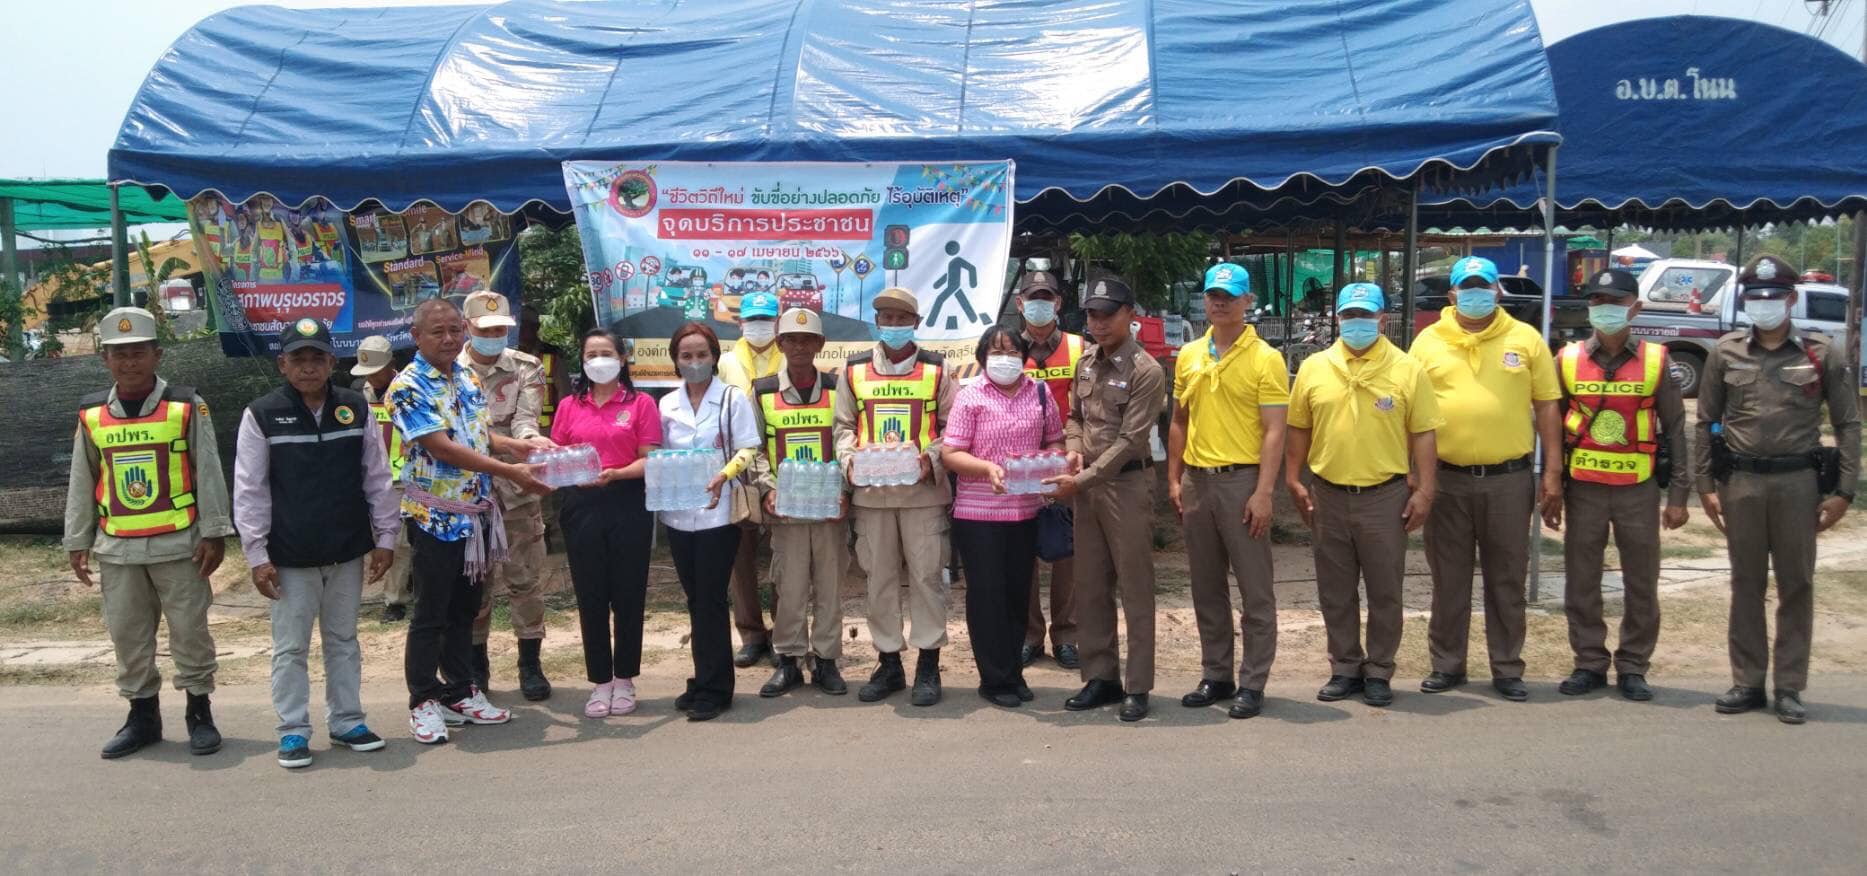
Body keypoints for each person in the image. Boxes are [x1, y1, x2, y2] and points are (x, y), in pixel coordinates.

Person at [1696, 255, 1860, 724]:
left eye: (1773, 297)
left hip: (1797, 484)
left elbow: (1848, 424)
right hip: (1741, 483)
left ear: (1790, 299)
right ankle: (1747, 681)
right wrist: (1705, 483)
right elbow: (1705, 421)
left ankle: (1789, 686)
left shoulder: (1820, 352)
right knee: (1745, 583)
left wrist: (1844, 490)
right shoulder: (1725, 352)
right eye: (1755, 298)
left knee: (1796, 584)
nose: (1764, 305)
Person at [64, 306, 233, 759]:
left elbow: (209, 469)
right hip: (117, 547)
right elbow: (83, 479)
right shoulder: (92, 413)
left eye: (137, 351)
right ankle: (142, 718)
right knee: (128, 635)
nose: (128, 361)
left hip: (180, 544)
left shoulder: (184, 405)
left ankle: (200, 713)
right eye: (118, 353)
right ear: (105, 360)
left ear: (157, 354)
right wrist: (77, 541)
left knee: (190, 632)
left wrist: (214, 532)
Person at [234, 319, 400, 768]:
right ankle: (292, 730)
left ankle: (347, 722)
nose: (309, 367)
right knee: (291, 648)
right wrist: (257, 555)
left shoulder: (354, 408)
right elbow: (249, 490)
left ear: (331, 362)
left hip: (346, 549)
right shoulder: (263, 413)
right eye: (299, 359)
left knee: (344, 640)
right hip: (289, 556)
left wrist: (386, 538)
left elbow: (378, 477)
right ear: (282, 364)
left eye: (317, 358)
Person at [388, 298, 550, 744]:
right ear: (416, 337)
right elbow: (442, 447)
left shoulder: (466, 376)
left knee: (465, 609)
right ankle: (423, 700)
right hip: (436, 517)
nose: (448, 339)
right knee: (431, 613)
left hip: (475, 515)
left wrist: (514, 447)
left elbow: (474, 434)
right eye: (436, 331)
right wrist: (509, 470)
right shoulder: (407, 385)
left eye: (454, 330)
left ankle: (460, 692)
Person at [1409, 256, 1563, 702]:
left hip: (1508, 480)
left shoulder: (1525, 338)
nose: (1476, 294)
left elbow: (1547, 406)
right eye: (1467, 287)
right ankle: (1447, 664)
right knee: (1448, 579)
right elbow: (1411, 414)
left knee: (1507, 578)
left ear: (1498, 291)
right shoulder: (1428, 342)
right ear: (1452, 294)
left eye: (1484, 286)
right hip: (1447, 480)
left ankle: (1507, 667)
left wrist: (1552, 470)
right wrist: (1413, 475)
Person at [1285, 283, 1441, 708]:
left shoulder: (1407, 369)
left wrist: (1425, 490)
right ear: (1337, 319)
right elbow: (1298, 426)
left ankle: (1379, 670)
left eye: (1365, 315)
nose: (1357, 322)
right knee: (1335, 590)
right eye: (1349, 315)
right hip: (1329, 494)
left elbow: (1424, 433)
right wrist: (1293, 478)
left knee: (1385, 588)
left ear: (1382, 320)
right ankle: (1345, 667)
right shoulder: (1315, 366)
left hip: (1384, 496)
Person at [1542, 269, 1691, 702]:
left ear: (1636, 307)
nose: (1606, 308)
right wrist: (1551, 483)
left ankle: (1633, 665)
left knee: (1641, 580)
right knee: (1582, 579)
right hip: (1584, 486)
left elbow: (1677, 429)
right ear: (1588, 308)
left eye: (1616, 300)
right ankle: (1588, 661)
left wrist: (1679, 495)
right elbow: (1552, 424)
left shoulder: (1657, 359)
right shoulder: (1566, 359)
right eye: (1597, 300)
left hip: (1637, 487)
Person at [1167, 263, 1289, 719]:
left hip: (1242, 480)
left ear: (1247, 301)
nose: (1219, 302)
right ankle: (1216, 673)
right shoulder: (1190, 354)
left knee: (1255, 589)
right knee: (1206, 586)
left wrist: (1264, 492)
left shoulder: (1266, 358)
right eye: (1213, 295)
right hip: (1199, 479)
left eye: (1229, 296)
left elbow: (1274, 430)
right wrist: (1174, 478)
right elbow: (1179, 420)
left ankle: (1253, 681)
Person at [1043, 277, 1166, 722]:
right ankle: (1101, 677)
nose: (1097, 322)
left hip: (1125, 487)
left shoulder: (1146, 370)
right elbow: (1074, 416)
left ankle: (1137, 685)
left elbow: (1132, 440)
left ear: (1130, 314)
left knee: (1134, 587)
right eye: (1092, 314)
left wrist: (1085, 478)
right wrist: (1074, 449)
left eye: (1107, 313)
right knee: (1090, 585)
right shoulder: (1086, 362)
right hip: (1087, 487)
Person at [833, 288, 958, 706]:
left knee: (926, 579)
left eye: (900, 317)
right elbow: (843, 427)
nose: (892, 324)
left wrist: (931, 459)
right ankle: (889, 662)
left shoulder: (938, 370)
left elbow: (952, 430)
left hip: (923, 494)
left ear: (916, 323)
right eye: (884, 317)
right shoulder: (853, 370)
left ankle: (928, 663)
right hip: (873, 496)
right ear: (877, 323)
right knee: (879, 580)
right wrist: (848, 461)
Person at [941, 326, 1066, 707]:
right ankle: (993, 679)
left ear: (1024, 356)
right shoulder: (970, 396)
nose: (1004, 357)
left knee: (1017, 595)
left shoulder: (1040, 393)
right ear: (982, 357)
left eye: (1012, 351)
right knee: (987, 596)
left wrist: (1052, 463)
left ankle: (1013, 671)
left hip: (1026, 511)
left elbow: (1055, 439)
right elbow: (951, 452)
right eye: (996, 351)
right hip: (979, 515)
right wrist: (985, 469)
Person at [549, 329, 662, 719]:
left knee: (628, 595)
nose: (599, 360)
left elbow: (650, 459)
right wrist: (571, 475)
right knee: (591, 595)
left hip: (628, 500)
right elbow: (558, 458)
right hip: (581, 505)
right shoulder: (569, 406)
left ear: (622, 359)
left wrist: (615, 474)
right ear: (582, 360)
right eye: (591, 353)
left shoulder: (641, 403)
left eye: (606, 353)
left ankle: (626, 679)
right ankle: (600, 680)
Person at [659, 322, 763, 721]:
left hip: (720, 515)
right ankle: (703, 678)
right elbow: (660, 454)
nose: (695, 362)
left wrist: (724, 474)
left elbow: (749, 448)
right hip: (678, 514)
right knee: (695, 600)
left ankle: (715, 688)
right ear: (676, 360)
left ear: (715, 357)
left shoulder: (732, 398)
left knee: (711, 599)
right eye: (686, 356)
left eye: (702, 354)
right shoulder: (667, 404)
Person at [458, 290, 555, 701]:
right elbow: (460, 432)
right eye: (486, 329)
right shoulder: (447, 370)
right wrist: (511, 448)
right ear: (468, 328)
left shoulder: (525, 366)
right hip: (468, 490)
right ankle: (476, 667)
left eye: (501, 329)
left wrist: (532, 441)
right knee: (476, 582)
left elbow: (525, 418)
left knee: (526, 579)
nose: (495, 336)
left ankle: (530, 663)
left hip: (517, 489)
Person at [749, 308, 849, 697]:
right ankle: (788, 660)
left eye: (808, 339)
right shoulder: (762, 390)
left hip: (829, 508)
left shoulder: (838, 387)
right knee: (789, 587)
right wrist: (767, 488)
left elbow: (847, 439)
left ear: (821, 344)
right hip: (786, 509)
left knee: (830, 586)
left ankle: (825, 660)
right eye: (791, 339)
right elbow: (754, 448)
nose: (800, 346)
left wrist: (845, 492)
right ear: (780, 344)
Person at [1015, 269, 1084, 670]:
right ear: (1020, 304)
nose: (1039, 304)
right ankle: (1028, 635)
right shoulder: (1007, 350)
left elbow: (1088, 408)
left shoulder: (1079, 347)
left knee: (1066, 554)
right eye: (1031, 297)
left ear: (1058, 303)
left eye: (1047, 297)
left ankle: (1067, 635)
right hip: (1020, 465)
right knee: (1023, 552)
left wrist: (1077, 455)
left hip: (1067, 462)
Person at [717, 290, 784, 668]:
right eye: (752, 319)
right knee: (739, 556)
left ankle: (782, 632)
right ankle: (751, 635)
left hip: (779, 469)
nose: (759, 325)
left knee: (783, 555)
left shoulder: (790, 356)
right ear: (740, 322)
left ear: (776, 321)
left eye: (765, 318)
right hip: (738, 469)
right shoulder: (726, 362)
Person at [352, 334, 414, 622]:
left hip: (406, 478)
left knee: (399, 543)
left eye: (375, 370)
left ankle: (395, 600)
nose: (372, 378)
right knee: (377, 538)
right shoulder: (355, 395)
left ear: (390, 364)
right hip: (371, 479)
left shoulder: (410, 388)